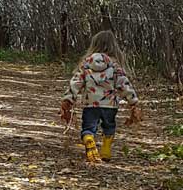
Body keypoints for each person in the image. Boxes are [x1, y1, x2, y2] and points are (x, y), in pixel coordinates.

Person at [60, 30, 140, 163]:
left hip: (90, 104)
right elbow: (124, 84)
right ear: (113, 46)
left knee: (88, 127)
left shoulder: (86, 64)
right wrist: (133, 101)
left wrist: (68, 99)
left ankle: (89, 140)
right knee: (109, 127)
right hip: (110, 105)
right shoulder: (114, 66)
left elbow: (76, 82)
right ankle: (106, 151)